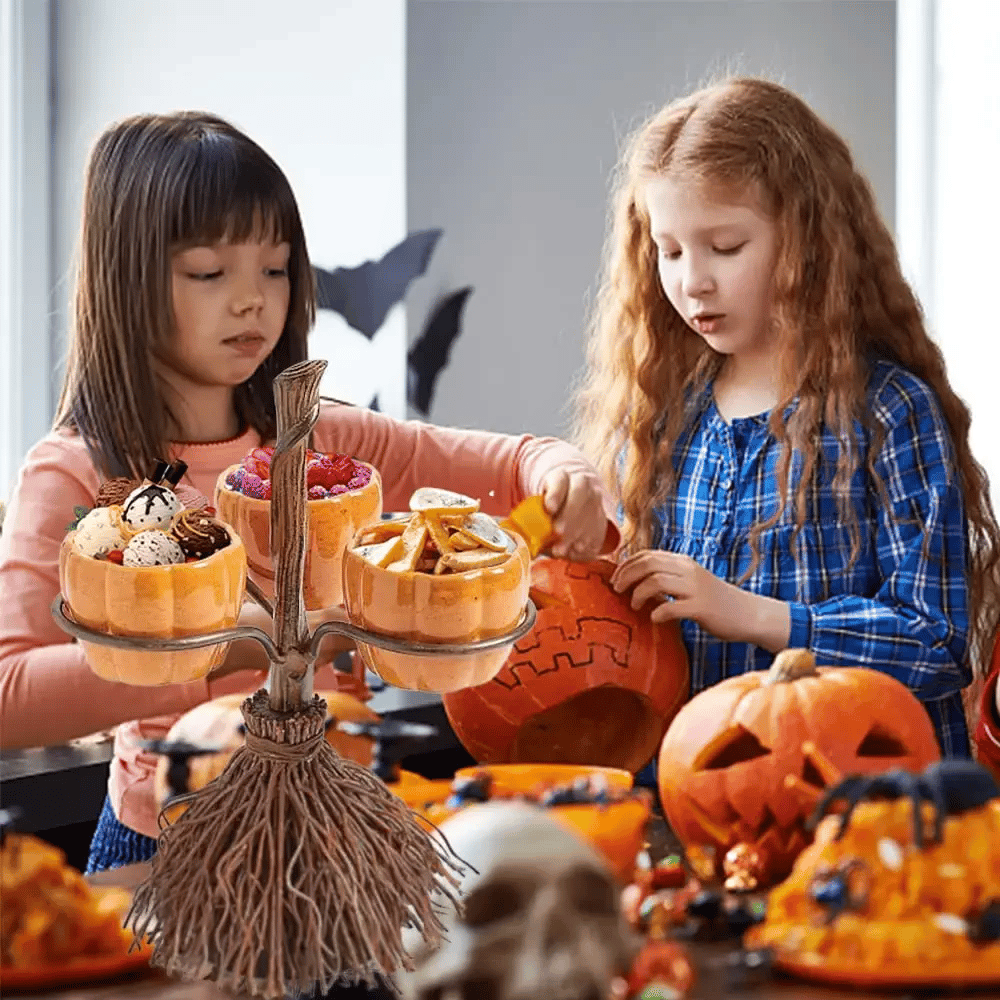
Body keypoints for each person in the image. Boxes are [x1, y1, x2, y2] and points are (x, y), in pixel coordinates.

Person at [0, 111, 619, 873]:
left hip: (334, 830)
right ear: (126, 280)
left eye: (276, 268)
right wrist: (221, 645)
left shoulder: (324, 442)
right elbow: (11, 695)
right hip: (167, 843)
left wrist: (565, 475)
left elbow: (515, 462)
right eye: (209, 273)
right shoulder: (75, 472)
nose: (252, 300)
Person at [572, 76, 1000, 765]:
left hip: (865, 799)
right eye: (670, 251)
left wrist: (752, 615)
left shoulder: (889, 412)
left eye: (725, 246)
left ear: (807, 242)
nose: (692, 280)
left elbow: (936, 645)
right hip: (692, 799)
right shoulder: (660, 418)